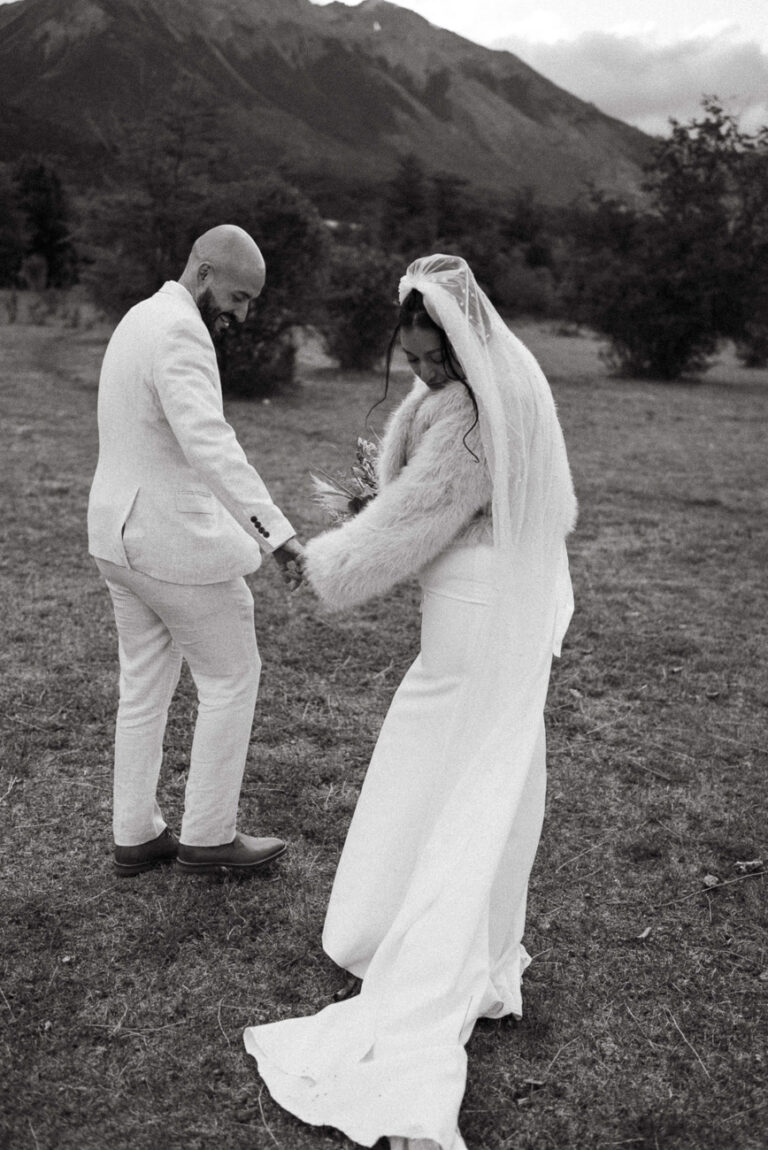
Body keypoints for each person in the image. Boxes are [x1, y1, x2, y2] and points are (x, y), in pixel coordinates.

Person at [244, 255, 577, 1149]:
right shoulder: (487, 390)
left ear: (464, 341)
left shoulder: (474, 415)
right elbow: (420, 499)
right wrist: (377, 501)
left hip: (472, 610)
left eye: (436, 356)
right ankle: (419, 926)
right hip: (485, 596)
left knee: (444, 766)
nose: (425, 370)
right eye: (415, 356)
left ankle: (420, 944)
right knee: (466, 768)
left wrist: (321, 563)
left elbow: (415, 517)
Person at [88, 224, 304, 878]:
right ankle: (209, 837)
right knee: (232, 674)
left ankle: (136, 834)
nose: (242, 314)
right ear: (204, 272)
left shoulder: (139, 317)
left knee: (145, 688)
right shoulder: (181, 333)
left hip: (116, 539)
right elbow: (209, 443)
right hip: (167, 543)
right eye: (239, 297)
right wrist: (278, 534)